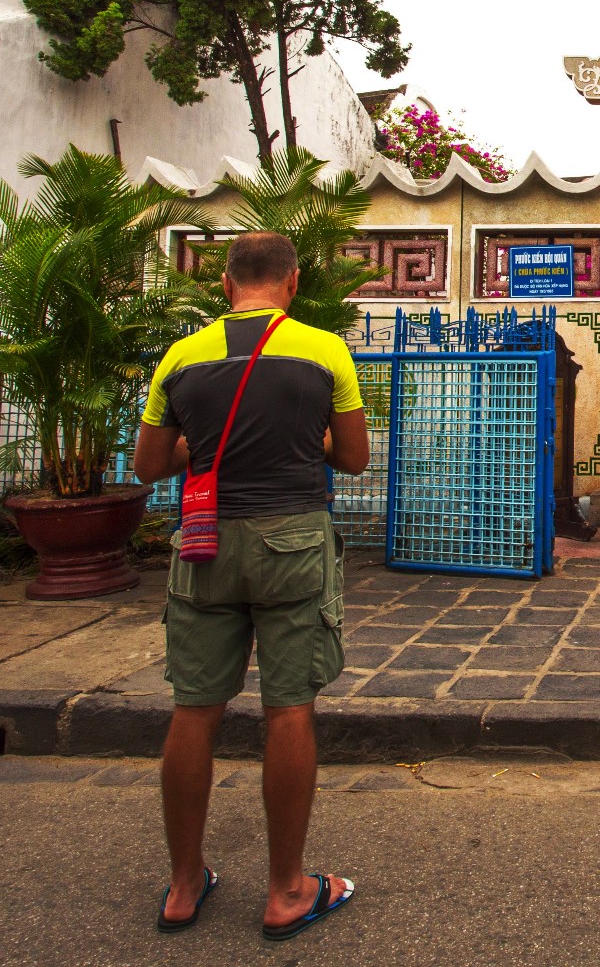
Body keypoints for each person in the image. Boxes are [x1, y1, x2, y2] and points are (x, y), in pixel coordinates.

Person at [133, 230, 370, 942]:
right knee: (289, 708)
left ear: (226, 284)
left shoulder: (181, 356)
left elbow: (149, 464)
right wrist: (304, 440)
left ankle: (183, 885)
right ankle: (286, 890)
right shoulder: (325, 351)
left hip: (205, 542)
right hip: (293, 540)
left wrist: (201, 445)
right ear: (292, 283)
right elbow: (353, 457)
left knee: (194, 708)